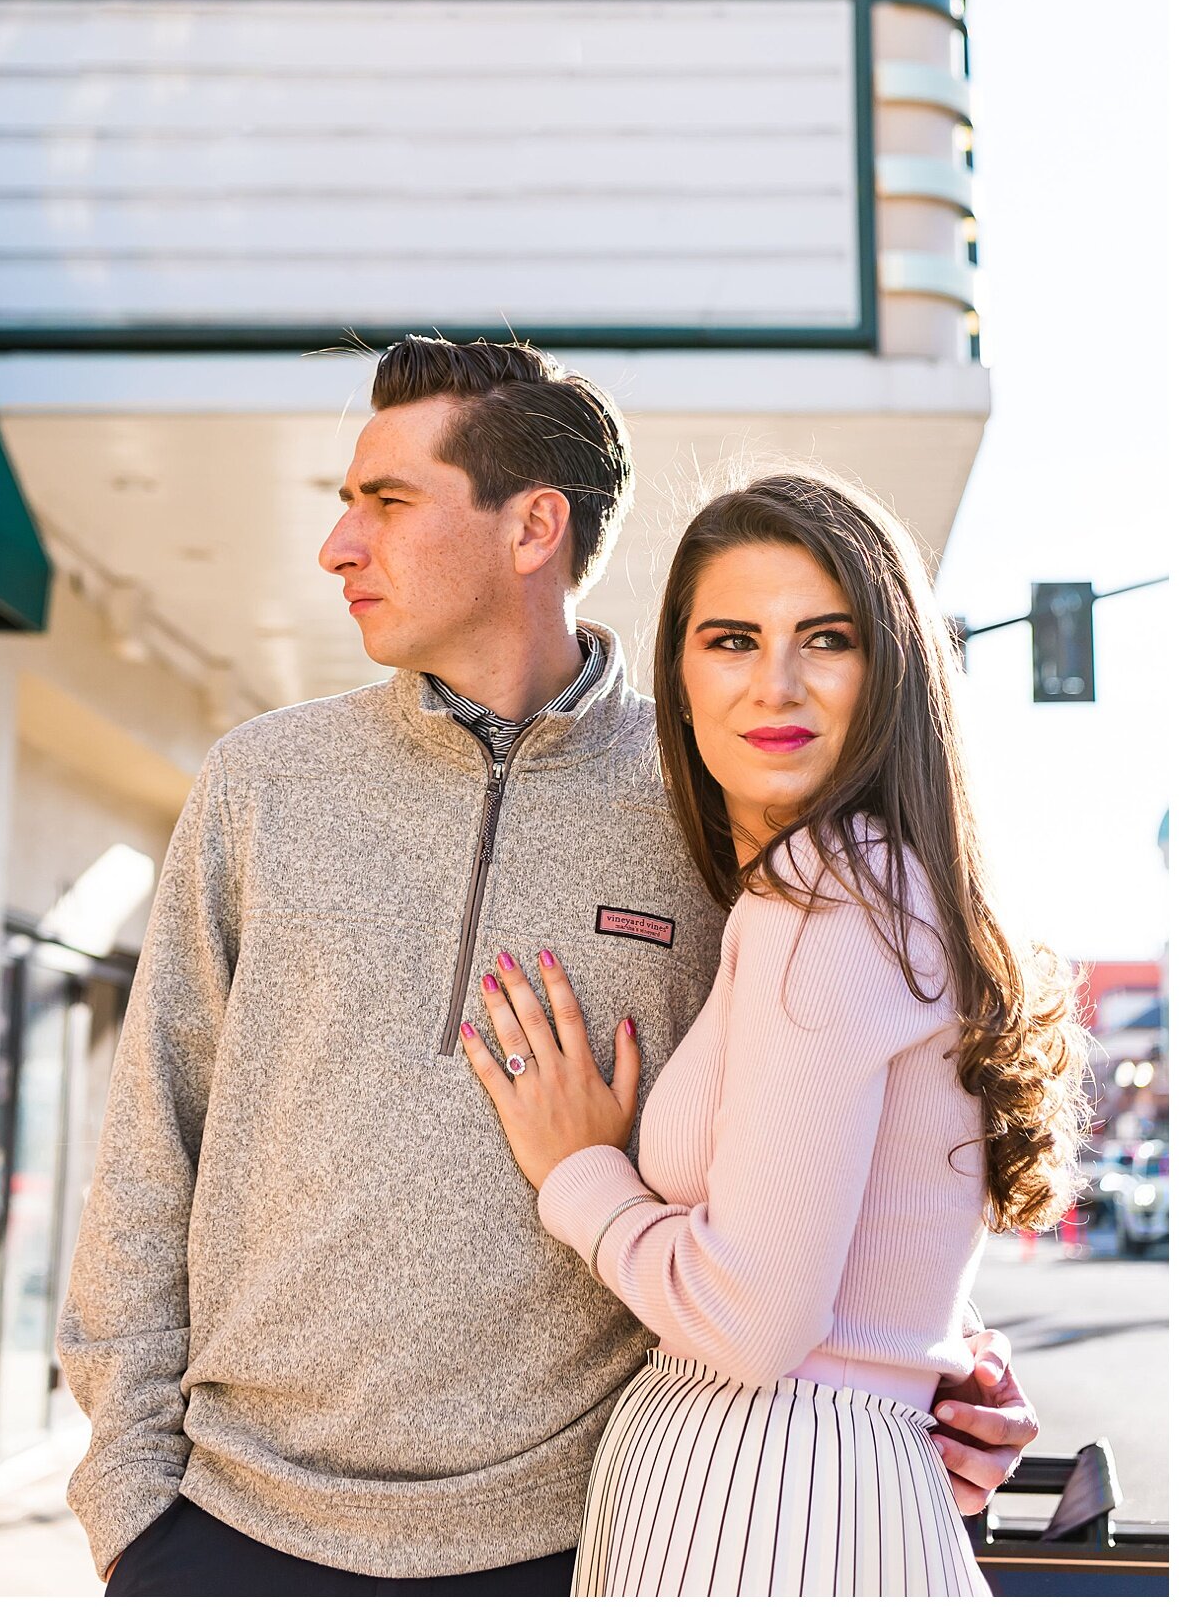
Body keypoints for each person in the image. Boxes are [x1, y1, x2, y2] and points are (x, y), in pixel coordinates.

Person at [56, 338, 1038, 1597]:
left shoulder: (713, 800)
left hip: (578, 1539)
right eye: (344, 505)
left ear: (533, 525)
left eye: (386, 501)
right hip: (232, 1528)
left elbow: (840, 1143)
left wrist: (935, 1364)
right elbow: (151, 1143)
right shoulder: (265, 782)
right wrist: (132, 1505)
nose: (339, 546)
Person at [463, 470, 1088, 1597]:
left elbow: (757, 1320)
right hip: (814, 1487)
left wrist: (581, 1175)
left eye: (827, 637)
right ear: (682, 677)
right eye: (733, 639)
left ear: (889, 670)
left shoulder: (828, 887)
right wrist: (943, 1355)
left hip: (766, 1494)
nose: (777, 683)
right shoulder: (875, 889)